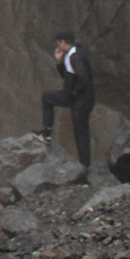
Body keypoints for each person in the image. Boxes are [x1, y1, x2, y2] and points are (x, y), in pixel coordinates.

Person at [40, 31, 95, 170]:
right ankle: (46, 134)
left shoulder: (75, 57)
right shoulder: (74, 53)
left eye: (59, 43)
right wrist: (59, 61)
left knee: (80, 132)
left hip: (80, 101)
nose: (58, 46)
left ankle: (85, 166)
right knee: (47, 98)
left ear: (64, 42)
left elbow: (84, 77)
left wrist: (74, 92)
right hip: (77, 98)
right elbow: (67, 76)